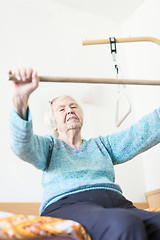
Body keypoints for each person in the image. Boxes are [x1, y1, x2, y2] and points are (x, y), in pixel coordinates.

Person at [9, 67, 160, 240]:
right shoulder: (49, 146)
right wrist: (20, 103)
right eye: (61, 109)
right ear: (54, 124)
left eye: (73, 106)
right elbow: (22, 146)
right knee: (123, 223)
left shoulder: (102, 145)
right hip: (67, 205)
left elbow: (140, 134)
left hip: (116, 203)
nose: (70, 110)